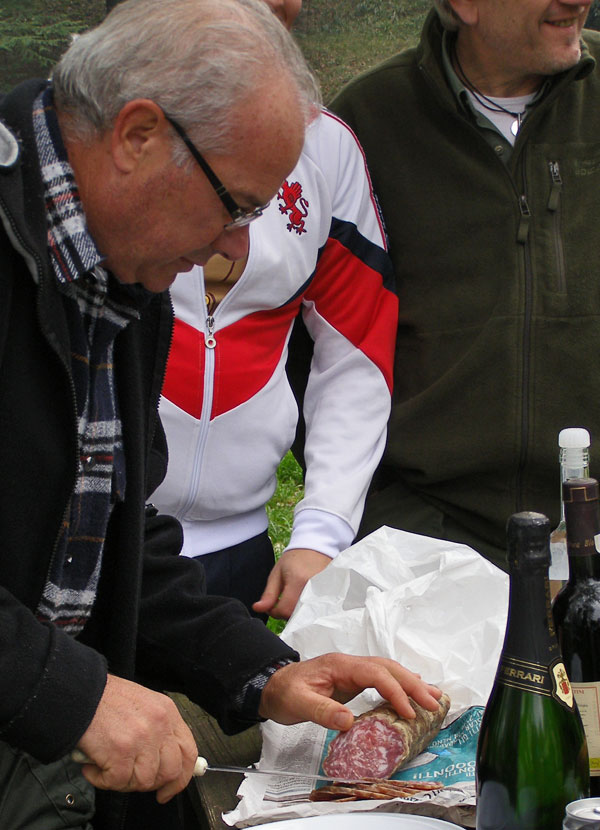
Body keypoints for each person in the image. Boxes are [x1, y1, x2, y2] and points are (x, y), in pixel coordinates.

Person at [0, 1, 442, 829]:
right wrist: (69, 692)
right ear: (137, 135)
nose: (234, 250)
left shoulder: (123, 267)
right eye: (235, 206)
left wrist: (264, 672)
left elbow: (112, 538)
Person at [316, 0, 600, 571]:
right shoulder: (365, 123)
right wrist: (388, 515)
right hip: (425, 544)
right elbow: (316, 341)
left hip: (590, 526)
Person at [152, 0, 397, 621]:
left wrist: (322, 528)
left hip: (237, 547)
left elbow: (356, 351)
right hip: (94, 534)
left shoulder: (325, 146)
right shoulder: (110, 129)